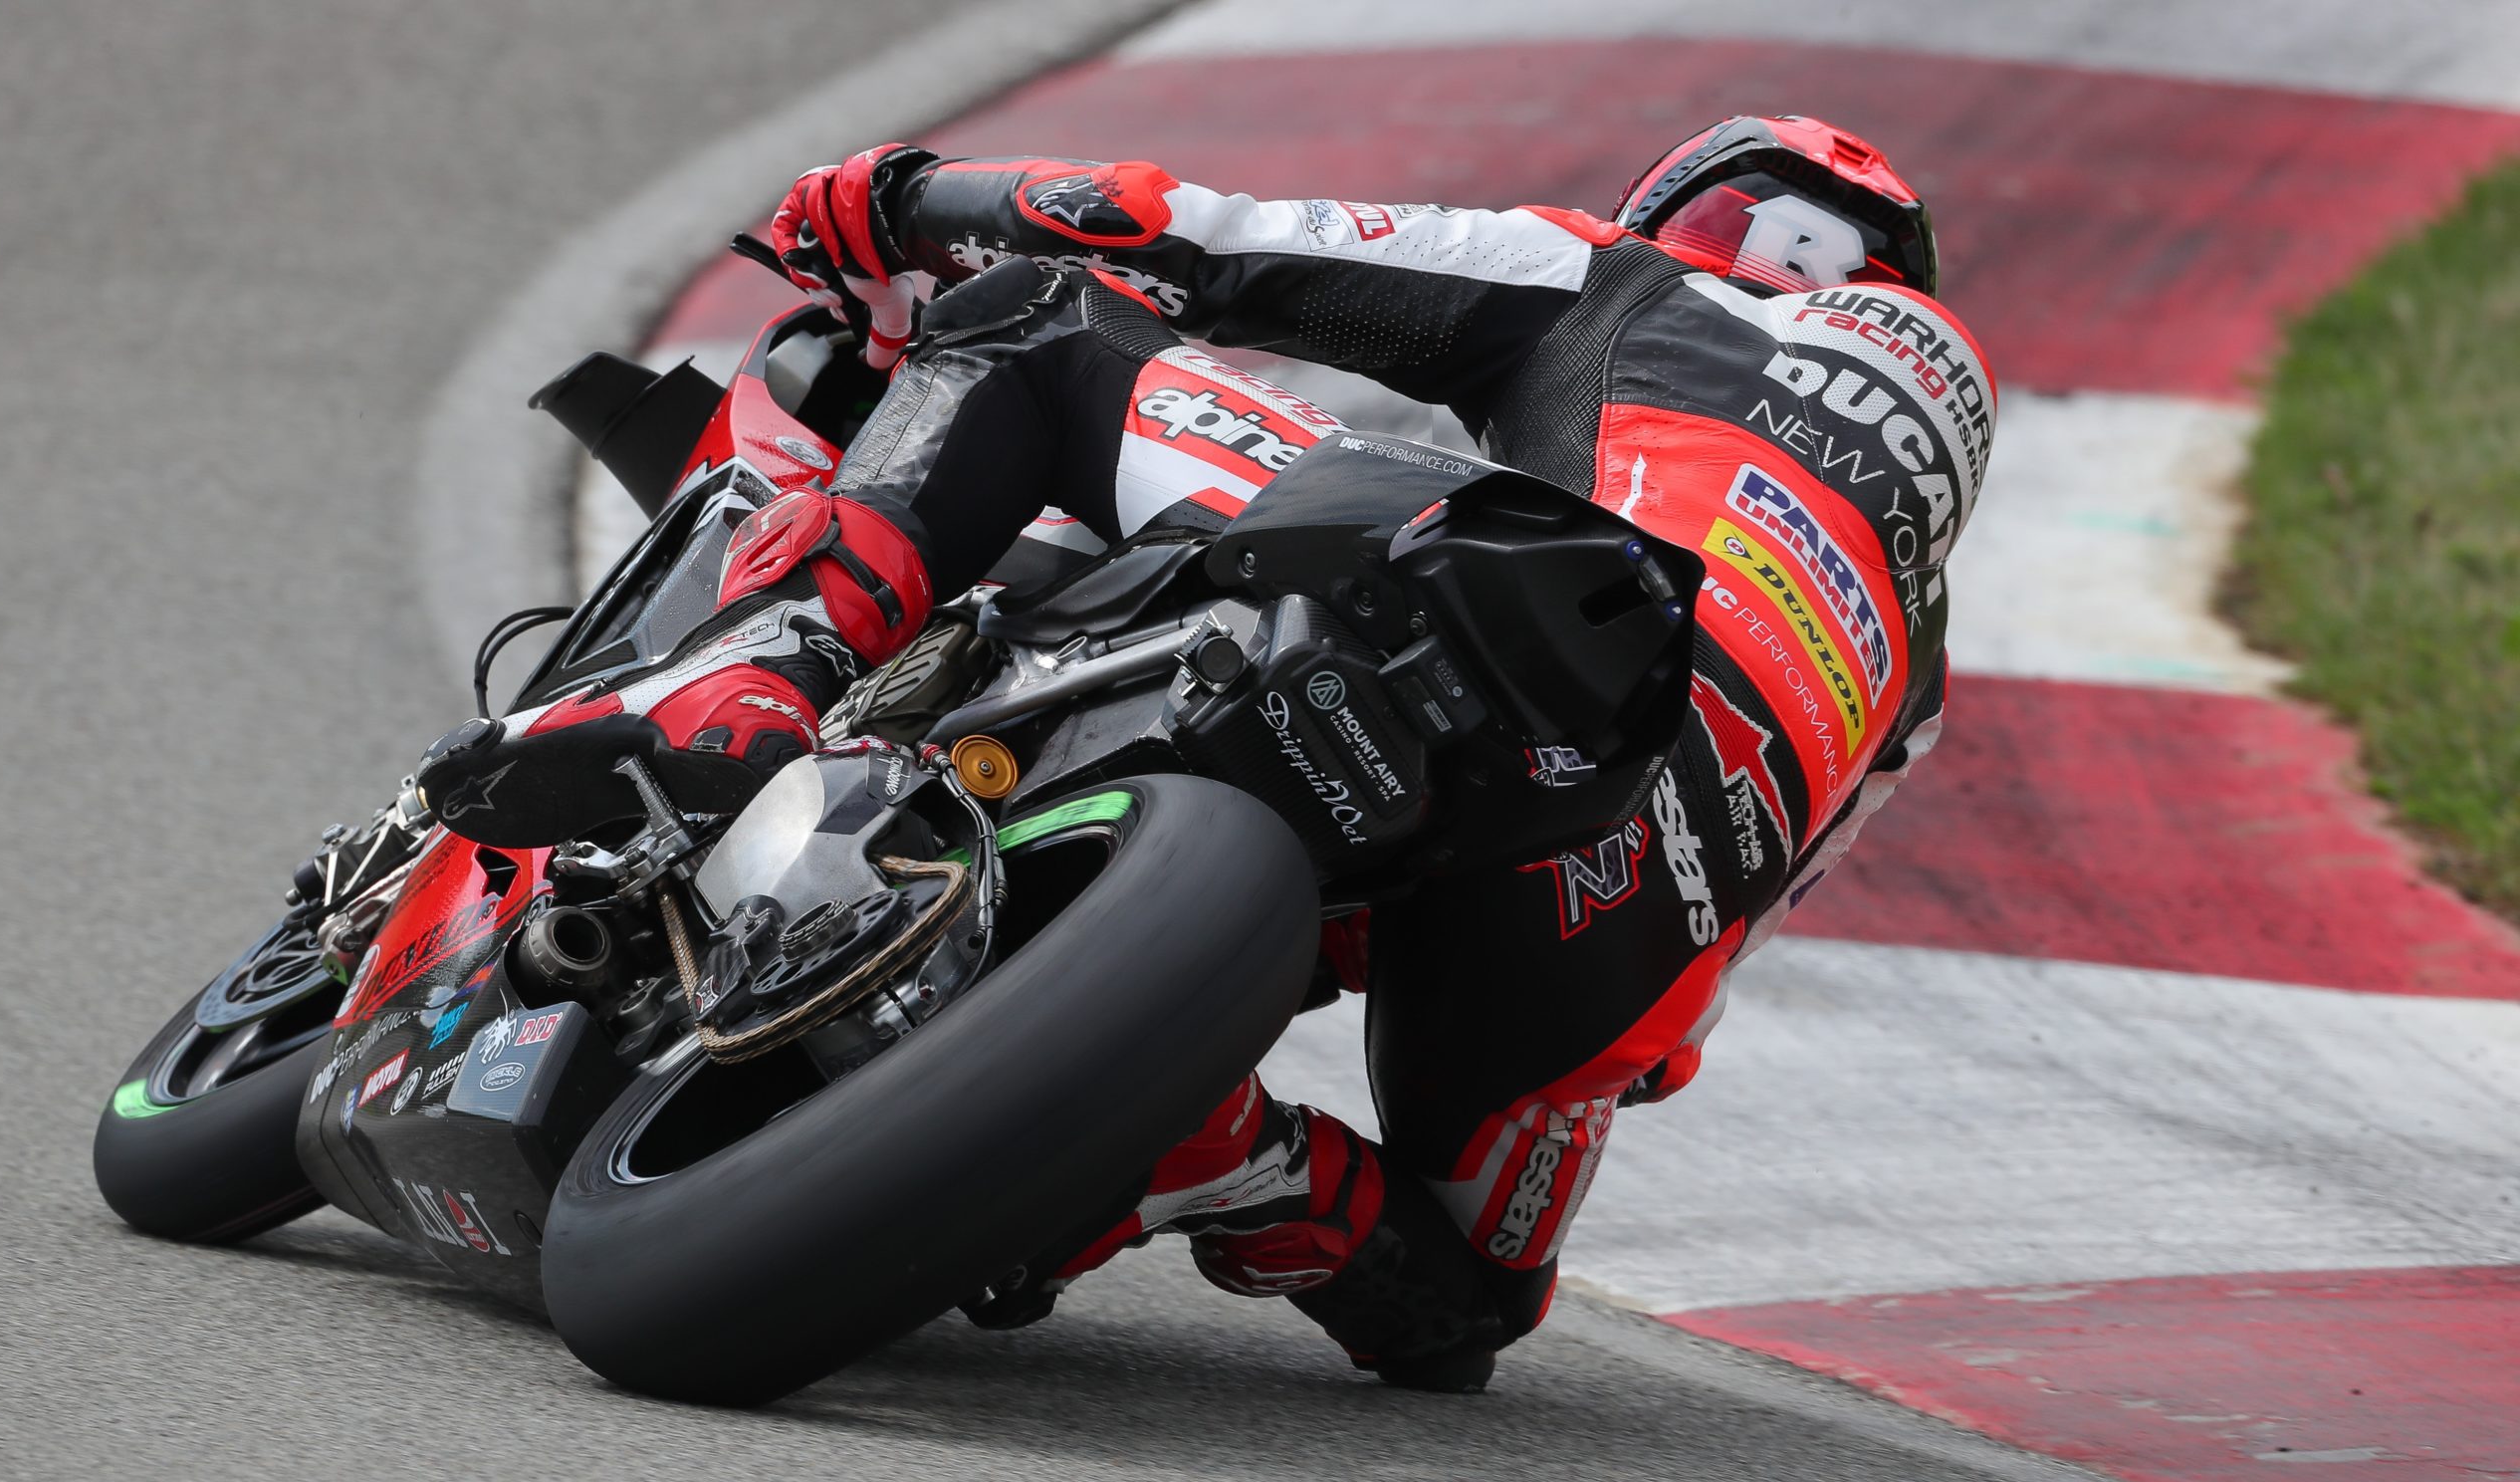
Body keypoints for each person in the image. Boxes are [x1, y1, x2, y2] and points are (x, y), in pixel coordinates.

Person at [419, 116, 1995, 1391]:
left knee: (1036, 324)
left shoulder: (1628, 281)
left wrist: (900, 201)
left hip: (1448, 613)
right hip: (1621, 919)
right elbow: (1759, 907)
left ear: (1704, 216)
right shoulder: (1914, 665)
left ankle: (768, 669)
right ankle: (1238, 1164)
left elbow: (1183, 232)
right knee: (1468, 1298)